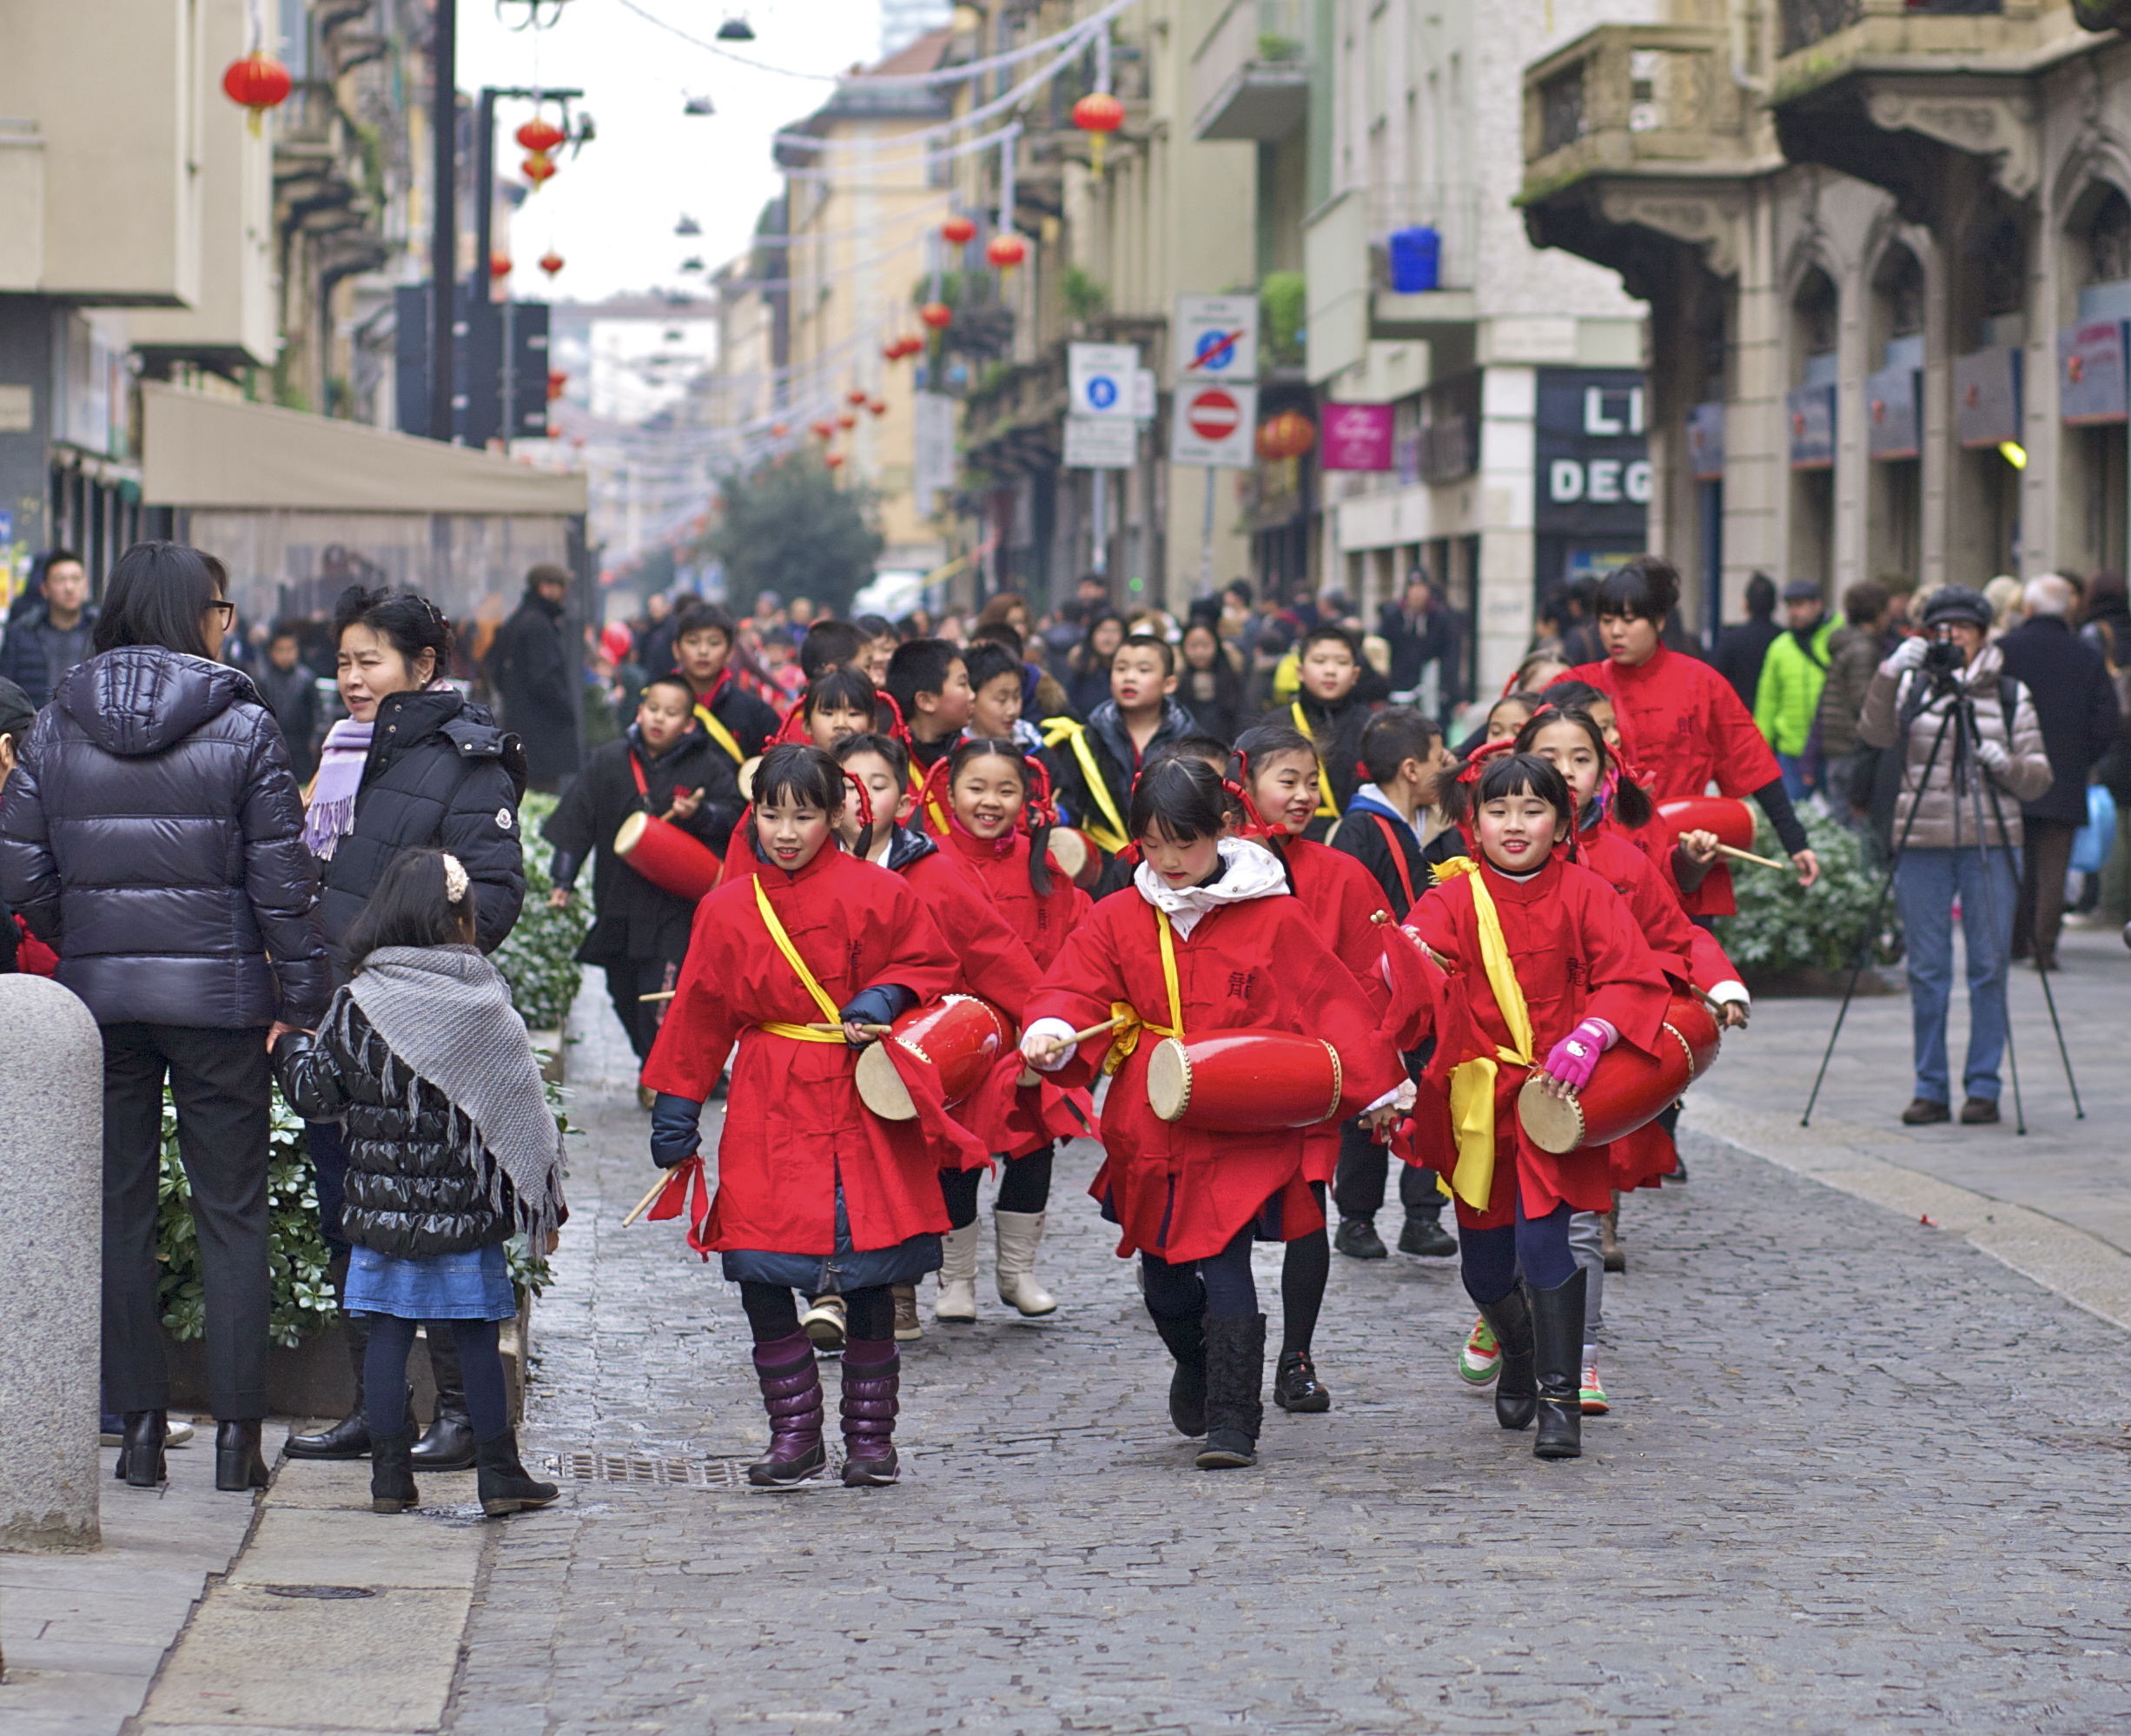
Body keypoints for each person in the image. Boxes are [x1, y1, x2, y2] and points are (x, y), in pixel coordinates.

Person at [0, 540, 330, 1493]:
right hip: (222, 1008)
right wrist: (299, 1003)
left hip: (103, 1004)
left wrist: (90, 937)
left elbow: (20, 870)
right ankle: (236, 1444)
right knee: (232, 1215)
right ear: (198, 612)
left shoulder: (58, 718)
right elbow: (284, 884)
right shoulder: (243, 721)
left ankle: (139, 1436)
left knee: (120, 1212)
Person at [1019, 758, 1406, 1471]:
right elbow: (1073, 987)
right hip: (1154, 1112)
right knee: (1164, 1276)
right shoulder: (1117, 915)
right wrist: (1047, 1025)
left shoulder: (1273, 913)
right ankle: (1194, 1364)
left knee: (1224, 1260)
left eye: (1183, 844)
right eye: (1153, 845)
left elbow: (1328, 997)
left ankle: (1234, 1421)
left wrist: (1377, 1085)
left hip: (1242, 1112)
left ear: (1221, 832)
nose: (1167, 862)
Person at [642, 744, 974, 1488]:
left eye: (803, 814)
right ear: (752, 813)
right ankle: (793, 1433)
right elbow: (698, 1014)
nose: (785, 830)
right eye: (771, 812)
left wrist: (885, 997)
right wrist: (677, 1106)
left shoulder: (879, 893)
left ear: (834, 817)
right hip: (769, 1098)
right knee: (758, 1263)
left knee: (869, 1273)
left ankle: (869, 1439)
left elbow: (932, 965)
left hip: (865, 1099)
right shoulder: (725, 906)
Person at [292, 585, 526, 1472]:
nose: (353, 679)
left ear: (423, 667)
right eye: (345, 661)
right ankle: (374, 1411)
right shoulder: (342, 753)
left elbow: (492, 898)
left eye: (371, 661)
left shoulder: (470, 762)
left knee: (444, 1222)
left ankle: (463, 1416)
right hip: (345, 1024)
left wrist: (400, 963)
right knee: (351, 1216)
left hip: (429, 1034)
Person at [1393, 752, 1671, 1460]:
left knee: (1547, 1240)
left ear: (1560, 822)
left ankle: (1559, 1402)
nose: (1514, 825)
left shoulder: (1588, 892)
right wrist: (1401, 962)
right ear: (1472, 824)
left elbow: (1632, 976)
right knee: (1483, 1267)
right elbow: (1407, 980)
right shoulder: (1453, 897)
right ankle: (1514, 1348)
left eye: (1532, 810)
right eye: (1498, 810)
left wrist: (1591, 1033)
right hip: (1478, 1103)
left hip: (1556, 1097)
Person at [274, 850, 564, 1517]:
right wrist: (538, 1184)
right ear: (461, 920)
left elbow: (317, 1095)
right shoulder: (483, 1001)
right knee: (471, 1338)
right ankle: (498, 1476)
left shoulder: (358, 1002)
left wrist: (287, 1047)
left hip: (380, 1208)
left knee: (387, 1335)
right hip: (463, 1212)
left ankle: (387, 1479)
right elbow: (521, 1104)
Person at [831, 732, 1047, 1344]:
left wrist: (1042, 1021)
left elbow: (992, 949)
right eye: (848, 788)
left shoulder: (933, 872)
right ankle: (828, 1291)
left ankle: (897, 1294)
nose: (862, 801)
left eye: (878, 786)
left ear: (905, 799)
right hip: (824, 1046)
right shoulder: (800, 872)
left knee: (901, 1168)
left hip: (909, 1050)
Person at [1228, 721, 1400, 1414]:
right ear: (1246, 785)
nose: (1300, 796)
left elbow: (1371, 975)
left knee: (1306, 1218)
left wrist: (1375, 1074)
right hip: (1232, 1077)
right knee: (1225, 1226)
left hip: (1311, 1079)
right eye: (1285, 781)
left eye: (1309, 782)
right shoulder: (1214, 865)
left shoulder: (1340, 872)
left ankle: (1295, 1356)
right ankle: (1224, 1358)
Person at [1857, 586, 2053, 1124]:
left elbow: (2039, 780)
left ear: (1984, 635)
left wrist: (2004, 762)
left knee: (1990, 967)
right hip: (1922, 841)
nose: (1953, 638)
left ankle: (1984, 1086)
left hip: (1992, 840)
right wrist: (1892, 671)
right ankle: (1931, 1086)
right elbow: (1873, 732)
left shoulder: (2010, 693)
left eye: (1964, 629)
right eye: (1942, 629)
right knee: (1927, 969)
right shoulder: (1916, 685)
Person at [923, 738, 1090, 1325]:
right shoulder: (928, 860)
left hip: (1033, 1029)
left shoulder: (1041, 862)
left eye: (1005, 789)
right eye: (976, 788)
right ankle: (956, 1279)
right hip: (957, 1032)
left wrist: (1055, 1011)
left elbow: (1073, 935)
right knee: (955, 1156)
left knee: (1031, 1149)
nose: (989, 802)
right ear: (948, 793)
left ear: (1028, 797)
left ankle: (1017, 1272)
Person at [1564, 556, 1819, 918]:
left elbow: (1750, 760)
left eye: (1629, 619)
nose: (1615, 632)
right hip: (1599, 866)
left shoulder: (1702, 683)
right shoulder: (1574, 685)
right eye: (1606, 621)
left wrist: (1795, 841)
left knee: (1689, 966)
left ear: (1660, 621)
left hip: (1684, 855)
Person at [544, 673, 741, 1076]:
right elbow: (578, 817)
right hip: (619, 899)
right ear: (639, 710)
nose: (658, 719)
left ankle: (663, 1076)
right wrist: (563, 879)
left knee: (661, 993)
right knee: (622, 990)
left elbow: (737, 817)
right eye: (653, 709)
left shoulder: (707, 766)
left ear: (688, 723)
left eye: (671, 714)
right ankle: (655, 1064)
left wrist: (701, 815)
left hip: (674, 908)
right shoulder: (610, 760)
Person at [1328, 708, 1459, 1260]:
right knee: (1373, 1099)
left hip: (1422, 989)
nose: (1449, 766)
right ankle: (1357, 1218)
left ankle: (1422, 1214)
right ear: (1410, 769)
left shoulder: (1423, 827)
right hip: (1376, 994)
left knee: (1430, 1094)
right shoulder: (1360, 828)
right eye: (1439, 759)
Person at [1995, 575, 2120, 972]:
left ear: (2027, 609)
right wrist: (2082, 758)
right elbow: (2107, 720)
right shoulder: (2085, 654)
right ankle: (2044, 947)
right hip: (2064, 773)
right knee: (2053, 867)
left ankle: (2014, 940)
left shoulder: (2005, 650)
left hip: (2009, 771)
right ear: (2068, 609)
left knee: (2012, 859)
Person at [1043, 633, 1194, 858]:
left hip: (1175, 858)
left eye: (1143, 670)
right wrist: (1060, 813)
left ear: (1169, 683)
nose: (1129, 678)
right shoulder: (1086, 739)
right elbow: (1071, 799)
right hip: (1107, 861)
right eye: (1121, 669)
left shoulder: (1191, 740)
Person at [487, 564, 578, 792]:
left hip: (521, 729)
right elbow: (544, 678)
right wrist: (565, 709)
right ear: (546, 588)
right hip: (542, 736)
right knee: (542, 797)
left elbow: (494, 668)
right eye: (561, 586)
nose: (565, 592)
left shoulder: (517, 620)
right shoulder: (539, 625)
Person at [1817, 581, 1896, 823]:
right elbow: (1865, 702)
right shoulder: (1864, 649)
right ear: (1877, 613)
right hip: (1852, 746)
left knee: (1843, 818)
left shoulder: (1848, 643)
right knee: (1856, 826)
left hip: (1837, 744)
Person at [671, 600, 781, 771]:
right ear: (676, 649)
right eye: (693, 642)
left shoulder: (756, 713)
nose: (703, 651)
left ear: (730, 652)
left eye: (714, 643)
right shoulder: (655, 708)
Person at [1754, 580, 1836, 800]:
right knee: (1794, 815)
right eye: (1790, 606)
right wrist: (1762, 749)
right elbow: (1768, 701)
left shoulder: (1836, 638)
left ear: (1818, 605)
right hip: (1792, 751)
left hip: (1833, 749)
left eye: (1800, 605)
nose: (1794, 612)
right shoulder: (1780, 647)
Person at [1288, 625, 1374, 834]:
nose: (1330, 670)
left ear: (1355, 674)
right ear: (1300, 671)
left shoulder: (1373, 725)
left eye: (1341, 662)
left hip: (1360, 837)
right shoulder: (1279, 724)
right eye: (1319, 661)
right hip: (1295, 836)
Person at [0, 547, 95, 706]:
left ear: (86, 585)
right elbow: (6, 692)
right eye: (60, 580)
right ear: (44, 589)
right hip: (34, 726)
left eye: (76, 579)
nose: (69, 588)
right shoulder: (22, 633)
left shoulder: (101, 632)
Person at [884, 638, 975, 785]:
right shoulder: (886, 762)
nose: (972, 695)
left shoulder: (973, 758)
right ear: (926, 701)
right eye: (962, 684)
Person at [255, 620, 322, 783]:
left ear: (297, 651)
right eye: (280, 650)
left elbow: (317, 711)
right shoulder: (264, 680)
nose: (285, 655)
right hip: (272, 743)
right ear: (271, 652)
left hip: (301, 744)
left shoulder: (306, 679)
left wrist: (315, 739)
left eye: (290, 649)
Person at [1712, 572, 1782, 709]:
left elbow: (1714, 679)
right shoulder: (1785, 640)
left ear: (1745, 604)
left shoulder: (1731, 640)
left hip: (1740, 714)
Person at [1176, 618, 1247, 744]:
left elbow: (1241, 717)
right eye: (1193, 646)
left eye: (1205, 645)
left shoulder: (1230, 677)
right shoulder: (1177, 680)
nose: (1199, 652)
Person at [1064, 610, 1126, 718]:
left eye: (1114, 631)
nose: (1108, 637)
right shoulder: (1080, 671)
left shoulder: (1128, 675)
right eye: (1103, 631)